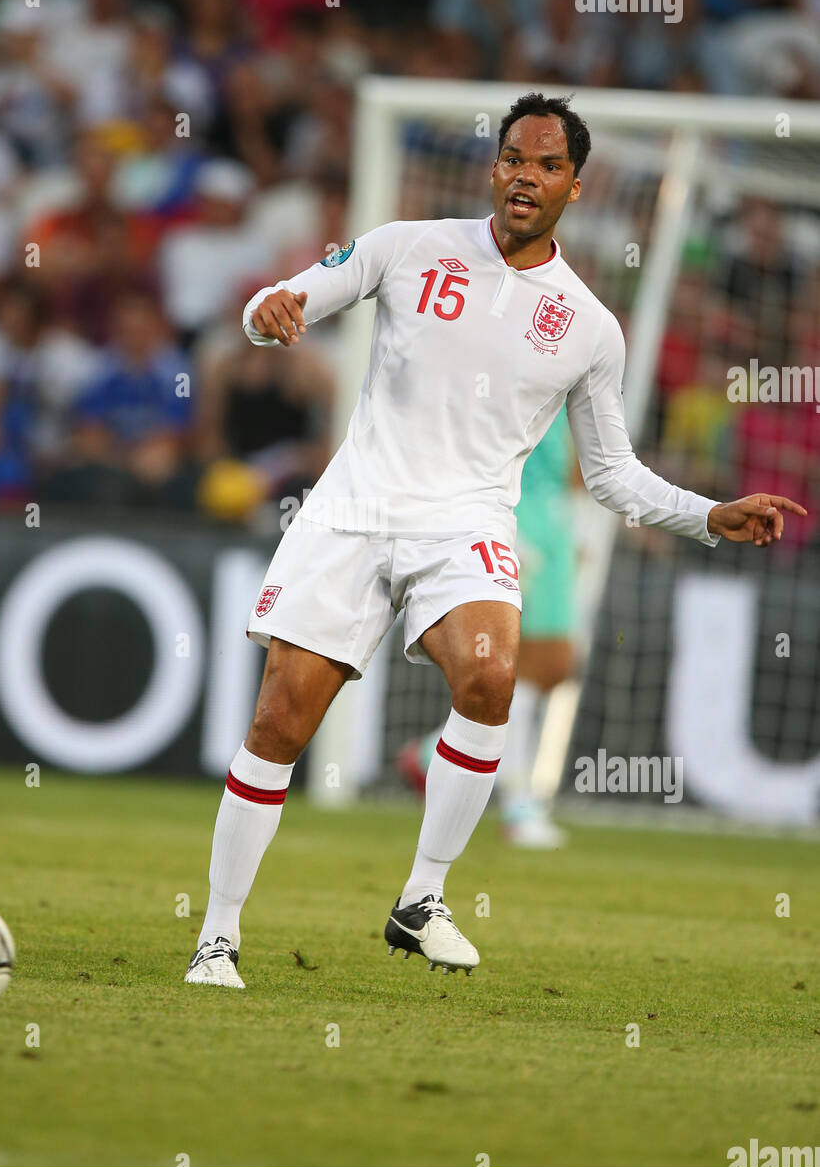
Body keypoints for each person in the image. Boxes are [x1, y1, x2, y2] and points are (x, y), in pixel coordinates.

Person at [185, 92, 806, 990]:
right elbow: (286, 301)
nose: (528, 175)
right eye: (516, 157)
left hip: (466, 521)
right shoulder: (406, 246)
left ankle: (421, 897)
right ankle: (218, 935)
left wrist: (706, 514)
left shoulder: (590, 328)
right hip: (353, 510)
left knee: (492, 675)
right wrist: (266, 311)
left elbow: (615, 471)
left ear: (575, 188)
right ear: (495, 168)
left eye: (549, 165)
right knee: (281, 720)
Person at [395, 410, 576, 850]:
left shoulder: (578, 369)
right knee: (517, 669)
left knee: (551, 667)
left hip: (556, 529)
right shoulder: (524, 361)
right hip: (517, 521)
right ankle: (517, 806)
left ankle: (429, 756)